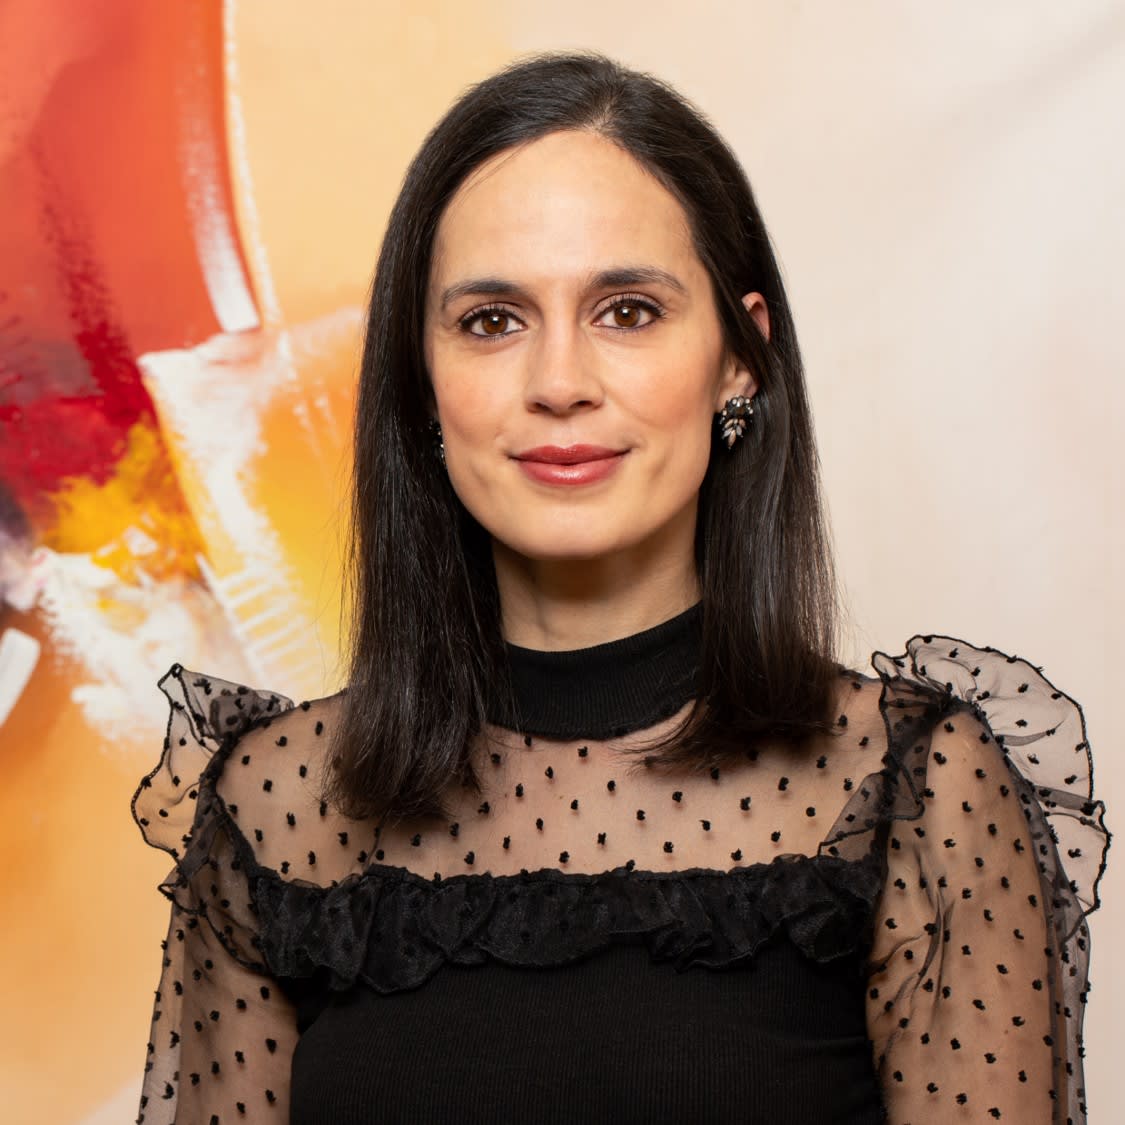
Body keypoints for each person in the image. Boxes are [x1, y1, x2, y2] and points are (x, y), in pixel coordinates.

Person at [132, 52, 1110, 1124]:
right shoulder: (275, 808)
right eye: (492, 321)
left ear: (740, 356)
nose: (559, 383)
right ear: (420, 375)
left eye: (628, 311)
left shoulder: (915, 792)